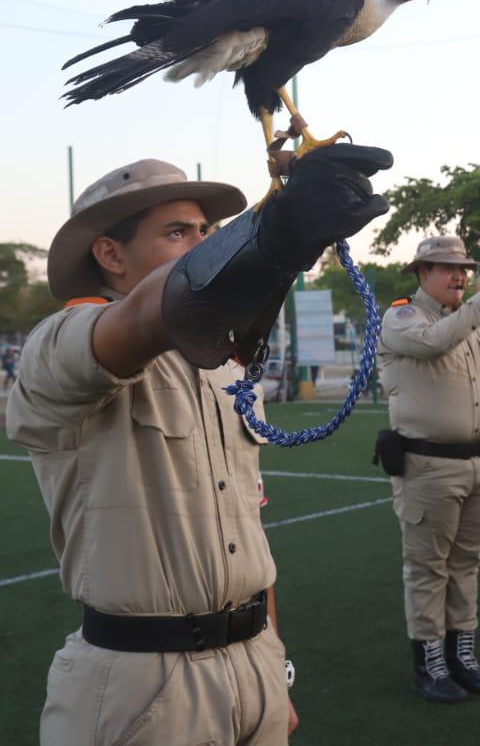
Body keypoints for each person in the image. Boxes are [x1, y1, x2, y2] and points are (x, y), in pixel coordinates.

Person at [6, 146, 391, 743]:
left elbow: (248, 539)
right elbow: (143, 319)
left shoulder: (225, 366)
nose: (202, 243)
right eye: (178, 231)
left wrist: (274, 668)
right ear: (109, 254)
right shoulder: (60, 341)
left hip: (254, 659)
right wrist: (273, 234)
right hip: (141, 682)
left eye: (207, 232)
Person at [378, 235, 480, 703]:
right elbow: (436, 342)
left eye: (463, 268)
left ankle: (463, 657)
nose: (459, 275)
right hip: (429, 466)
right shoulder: (402, 318)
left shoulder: (470, 322)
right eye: (446, 268)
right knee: (428, 569)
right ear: (422, 273)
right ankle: (430, 666)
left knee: (466, 564)